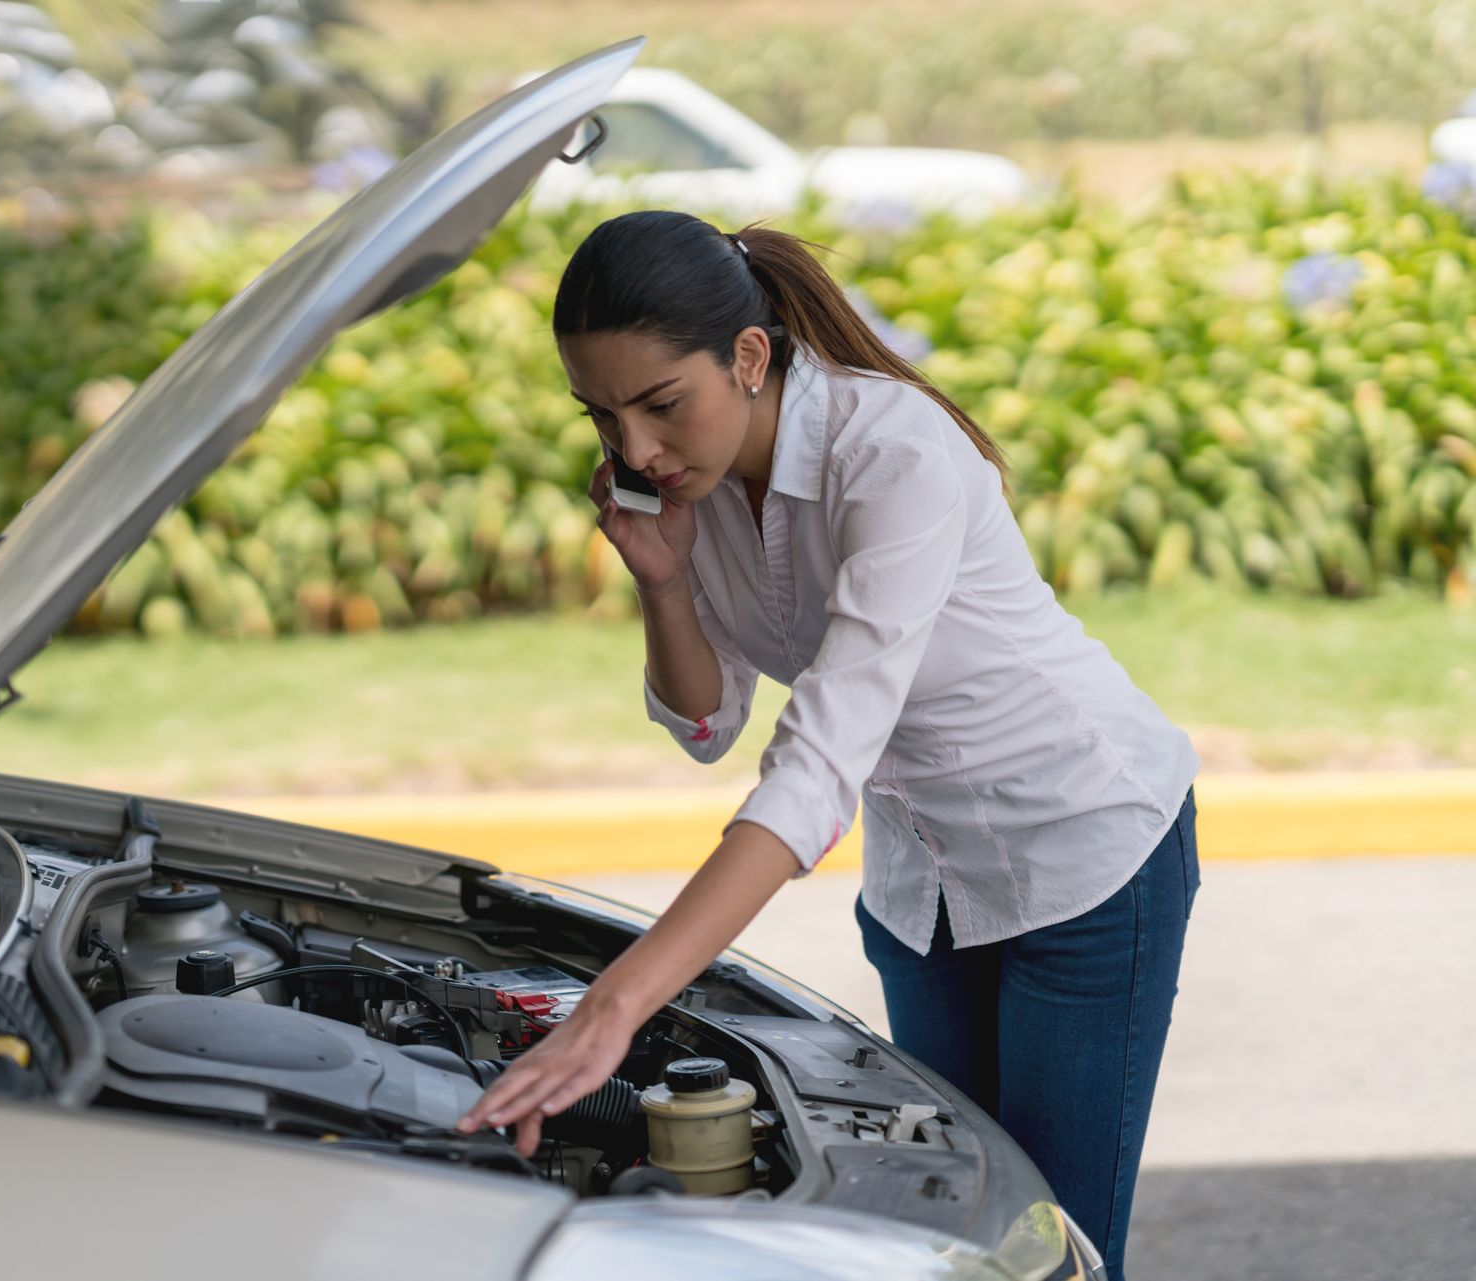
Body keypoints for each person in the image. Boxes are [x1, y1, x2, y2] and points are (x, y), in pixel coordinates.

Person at [455, 210, 1201, 1279]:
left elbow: (817, 763)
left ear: (748, 357)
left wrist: (618, 1006)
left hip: (1086, 847)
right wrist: (663, 582)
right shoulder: (692, 490)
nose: (637, 452)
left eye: (663, 406)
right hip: (927, 883)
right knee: (947, 1234)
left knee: (1055, 1249)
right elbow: (708, 726)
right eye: (602, 416)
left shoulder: (892, 453)